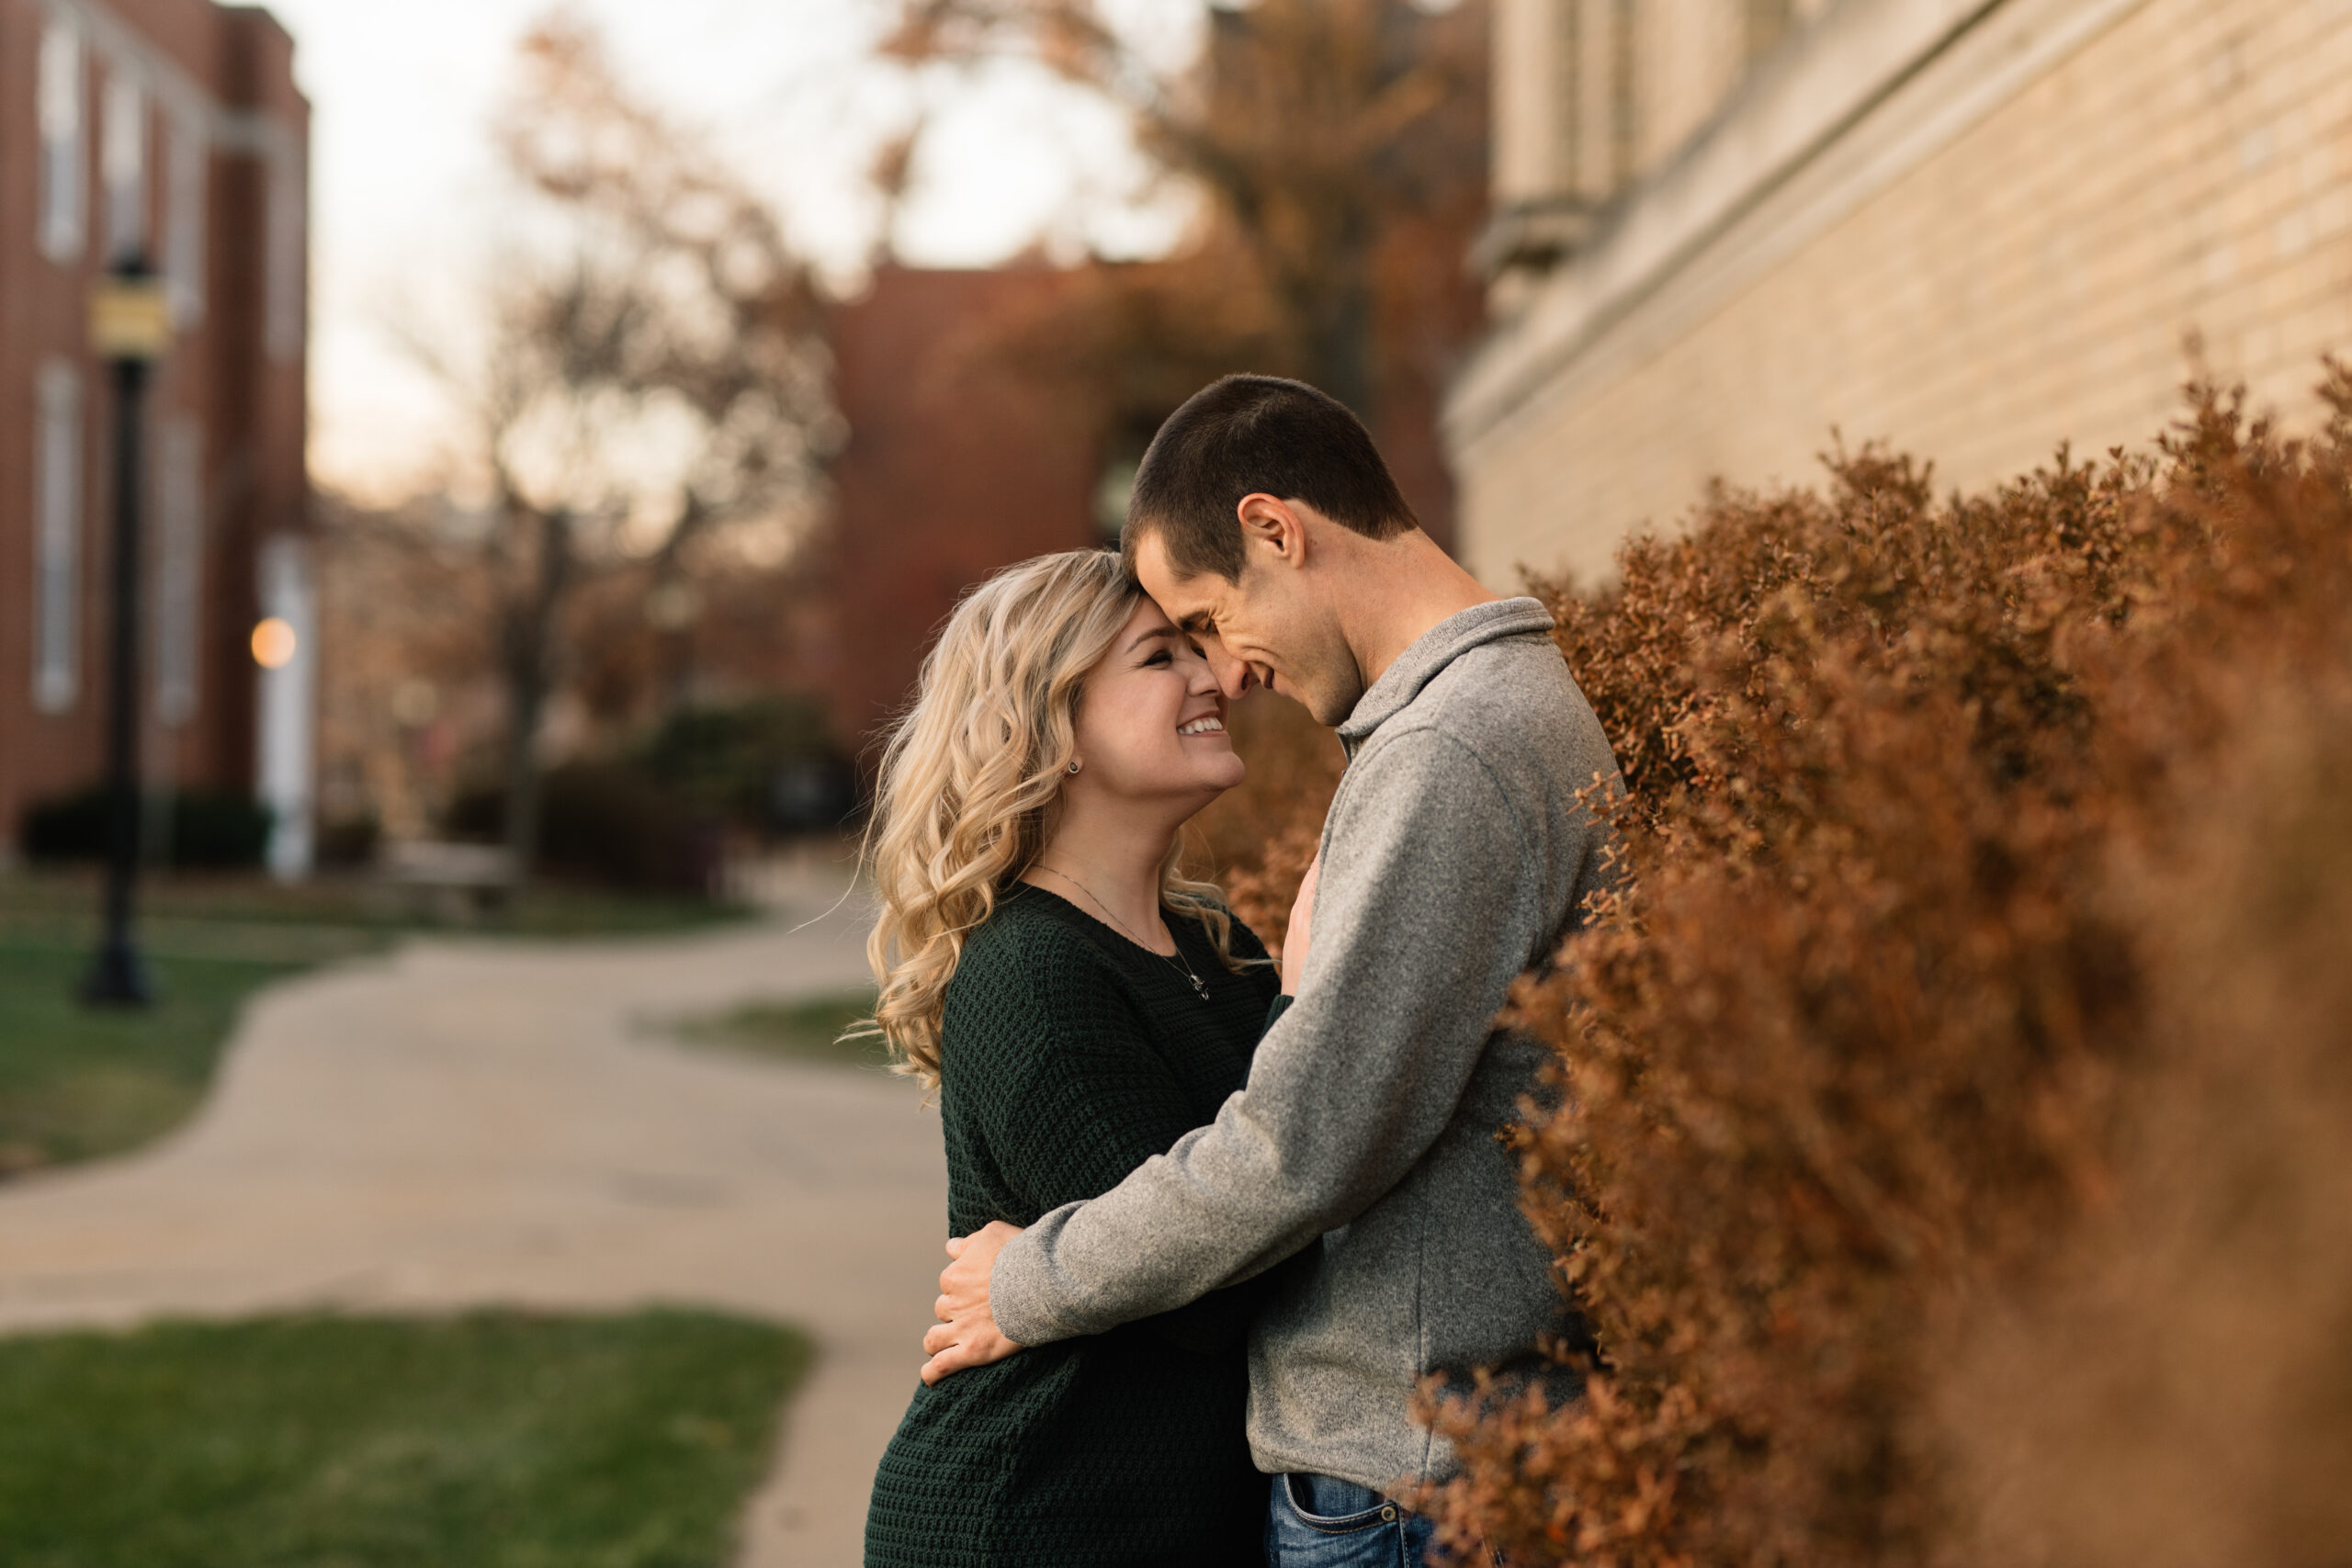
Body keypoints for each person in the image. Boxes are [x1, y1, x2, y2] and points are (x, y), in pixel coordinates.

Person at [919, 375, 1626, 1566]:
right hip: (1384, 1468)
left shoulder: (1448, 751)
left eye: (1202, 618)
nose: (1227, 672)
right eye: (1175, 649)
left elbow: (1299, 1145)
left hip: (1411, 1474)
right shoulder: (1460, 731)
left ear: (1276, 532)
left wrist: (1022, 1279)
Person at [859, 548, 1313, 1568]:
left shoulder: (1212, 944)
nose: (1212, 678)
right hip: (1031, 1519)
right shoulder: (1033, 973)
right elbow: (1214, 1284)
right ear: (1052, 728)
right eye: (1161, 656)